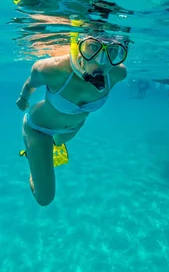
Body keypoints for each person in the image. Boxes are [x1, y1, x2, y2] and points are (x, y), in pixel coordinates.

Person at [16, 33, 130, 206]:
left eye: (112, 50)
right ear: (80, 46)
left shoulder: (117, 73)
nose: (101, 60)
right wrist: (23, 99)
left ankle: (49, 151)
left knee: (59, 141)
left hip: (69, 131)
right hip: (39, 128)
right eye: (93, 47)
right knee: (45, 198)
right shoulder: (52, 69)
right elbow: (30, 83)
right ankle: (33, 158)